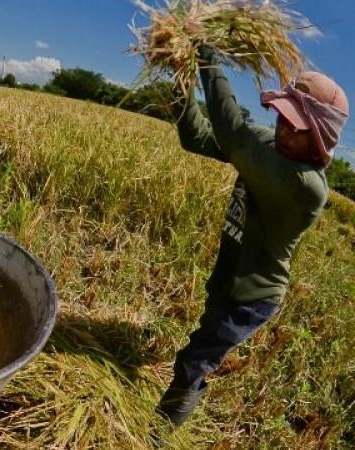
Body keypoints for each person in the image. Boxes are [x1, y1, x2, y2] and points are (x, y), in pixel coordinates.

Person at [156, 44, 349, 427]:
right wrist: (181, 80)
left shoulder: (306, 187)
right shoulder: (267, 142)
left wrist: (206, 56)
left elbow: (233, 135)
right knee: (203, 339)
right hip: (228, 275)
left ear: (319, 139)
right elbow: (197, 136)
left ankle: (158, 431)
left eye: (297, 128)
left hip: (252, 298)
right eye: (281, 117)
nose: (283, 130)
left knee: (193, 362)